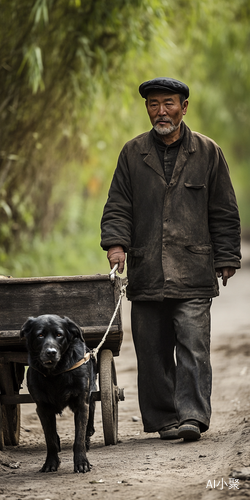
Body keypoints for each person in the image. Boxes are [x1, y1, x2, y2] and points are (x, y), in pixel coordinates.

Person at [100, 77, 241, 441]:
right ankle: (165, 418)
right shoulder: (132, 154)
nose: (161, 111)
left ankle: (192, 416)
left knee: (194, 343)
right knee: (151, 350)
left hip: (194, 268)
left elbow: (224, 210)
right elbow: (118, 205)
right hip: (147, 271)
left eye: (168, 103)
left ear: (184, 106)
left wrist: (226, 255)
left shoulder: (208, 153)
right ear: (147, 108)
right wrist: (116, 244)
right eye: (153, 104)